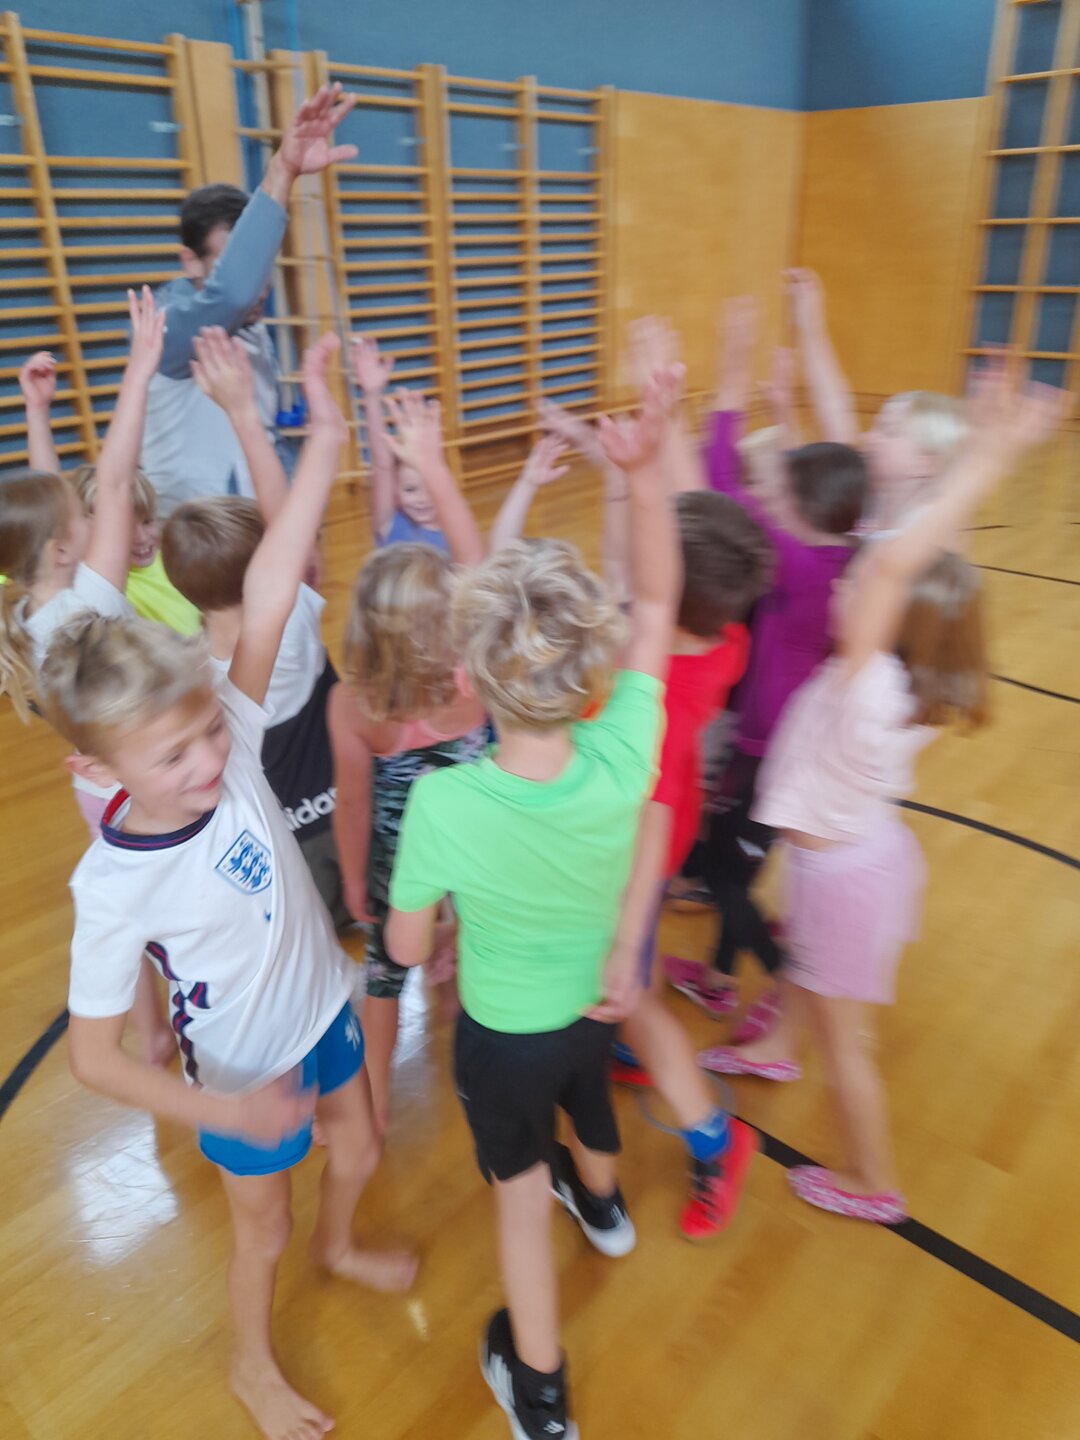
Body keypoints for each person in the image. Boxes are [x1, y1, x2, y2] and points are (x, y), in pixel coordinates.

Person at [39, 335, 417, 1440]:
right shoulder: (113, 885)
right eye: (174, 755)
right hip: (244, 1071)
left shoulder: (234, 735)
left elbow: (270, 581)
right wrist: (223, 1110)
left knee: (362, 1148)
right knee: (262, 1231)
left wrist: (325, 429)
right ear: (98, 770)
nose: (210, 759)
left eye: (209, 727)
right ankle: (253, 1366)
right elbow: (95, 1058)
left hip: (325, 1010)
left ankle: (342, 1246)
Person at [697, 355, 1067, 1223]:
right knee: (812, 979)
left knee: (847, 1043)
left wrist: (988, 457)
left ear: (889, 621)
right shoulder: (902, 680)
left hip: (843, 880)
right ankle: (780, 1041)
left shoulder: (863, 680)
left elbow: (895, 566)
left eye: (860, 585)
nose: (849, 579)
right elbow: (907, 569)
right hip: (855, 859)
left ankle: (872, 1179)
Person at [385, 366, 680, 1440]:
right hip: (592, 1007)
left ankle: (540, 1389)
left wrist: (427, 921)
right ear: (590, 669)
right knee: (588, 1103)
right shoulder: (622, 751)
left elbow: (405, 951)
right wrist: (642, 478)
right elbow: (658, 607)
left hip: (503, 1034)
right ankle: (602, 1206)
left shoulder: (445, 801)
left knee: (517, 1198)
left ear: (467, 677)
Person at [663, 296, 868, 1029]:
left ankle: (793, 982)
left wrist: (729, 373)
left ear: (803, 512)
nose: (765, 497)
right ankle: (721, 977)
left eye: (777, 493)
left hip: (772, 752)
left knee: (726, 876)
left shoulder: (803, 567)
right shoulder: (832, 551)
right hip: (777, 744)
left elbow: (715, 492)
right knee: (733, 862)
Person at [1, 288, 174, 1066]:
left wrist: (35, 411)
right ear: (67, 549)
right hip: (144, 776)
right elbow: (113, 478)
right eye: (81, 519)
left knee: (129, 905)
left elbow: (51, 509)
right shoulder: (93, 603)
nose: (92, 513)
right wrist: (137, 370)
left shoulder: (27, 611)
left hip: (96, 787)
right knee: (171, 895)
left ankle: (151, 1029)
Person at [327, 388, 488, 1133]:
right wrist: (433, 464)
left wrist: (353, 881)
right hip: (481, 850)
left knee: (385, 979)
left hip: (403, 868)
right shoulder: (473, 677)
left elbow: (353, 805)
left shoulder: (353, 703)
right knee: (480, 939)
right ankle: (474, 1023)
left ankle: (375, 1106)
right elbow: (477, 562)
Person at [160, 327, 349, 929]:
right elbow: (283, 519)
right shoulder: (287, 624)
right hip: (347, 818)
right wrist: (244, 413)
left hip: (286, 846)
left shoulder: (194, 665)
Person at [140, 84, 358, 518]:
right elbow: (233, 293)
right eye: (232, 264)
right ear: (190, 261)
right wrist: (282, 171)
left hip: (255, 522)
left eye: (261, 266)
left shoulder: (252, 329)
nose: (259, 287)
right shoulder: (165, 328)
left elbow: (267, 435)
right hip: (194, 536)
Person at [18, 349, 200, 636]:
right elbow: (52, 506)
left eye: (147, 521)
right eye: (123, 527)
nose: (141, 537)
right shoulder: (97, 578)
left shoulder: (172, 559)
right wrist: (36, 412)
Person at [786, 267, 969, 533]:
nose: (870, 438)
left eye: (889, 431)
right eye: (877, 427)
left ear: (926, 463)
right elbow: (835, 408)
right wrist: (809, 327)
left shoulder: (926, 531)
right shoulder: (866, 494)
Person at [352, 334, 452, 552]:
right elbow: (382, 464)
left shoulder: (453, 534)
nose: (422, 499)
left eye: (430, 489)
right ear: (395, 490)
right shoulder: (389, 524)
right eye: (410, 489)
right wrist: (371, 394)